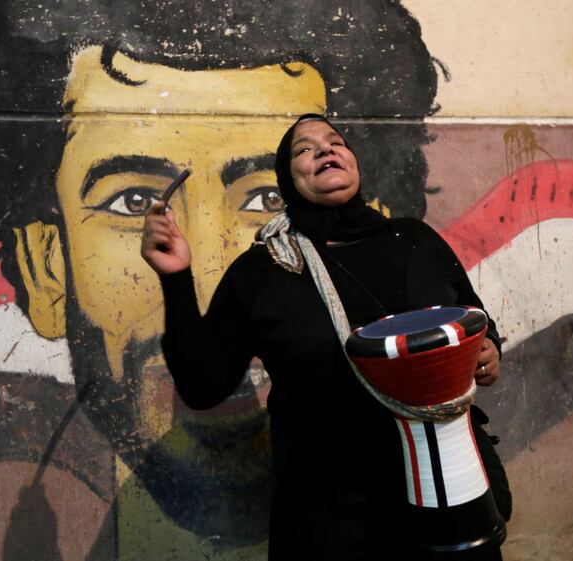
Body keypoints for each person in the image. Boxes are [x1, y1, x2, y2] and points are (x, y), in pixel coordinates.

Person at [0, 1, 440, 555]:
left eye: (268, 199)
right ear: (44, 267)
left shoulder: (407, 255)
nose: (212, 279)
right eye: (133, 199)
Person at [142, 114, 510, 560]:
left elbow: (475, 322)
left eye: (335, 141)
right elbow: (203, 387)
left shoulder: (414, 241)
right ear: (287, 180)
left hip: (447, 485)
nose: (324, 150)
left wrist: (488, 351)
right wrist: (176, 280)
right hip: (329, 513)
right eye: (304, 149)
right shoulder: (265, 271)